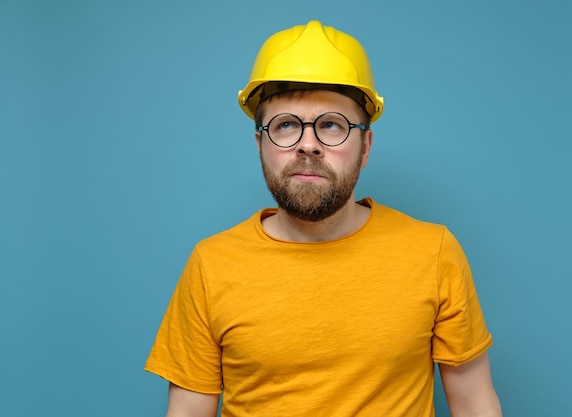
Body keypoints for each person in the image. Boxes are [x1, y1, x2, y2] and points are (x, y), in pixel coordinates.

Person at [145, 20, 502, 417]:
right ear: (261, 144)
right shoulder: (210, 265)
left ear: (365, 145)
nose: (308, 145)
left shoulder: (433, 252)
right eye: (286, 126)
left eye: (331, 125)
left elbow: (474, 402)